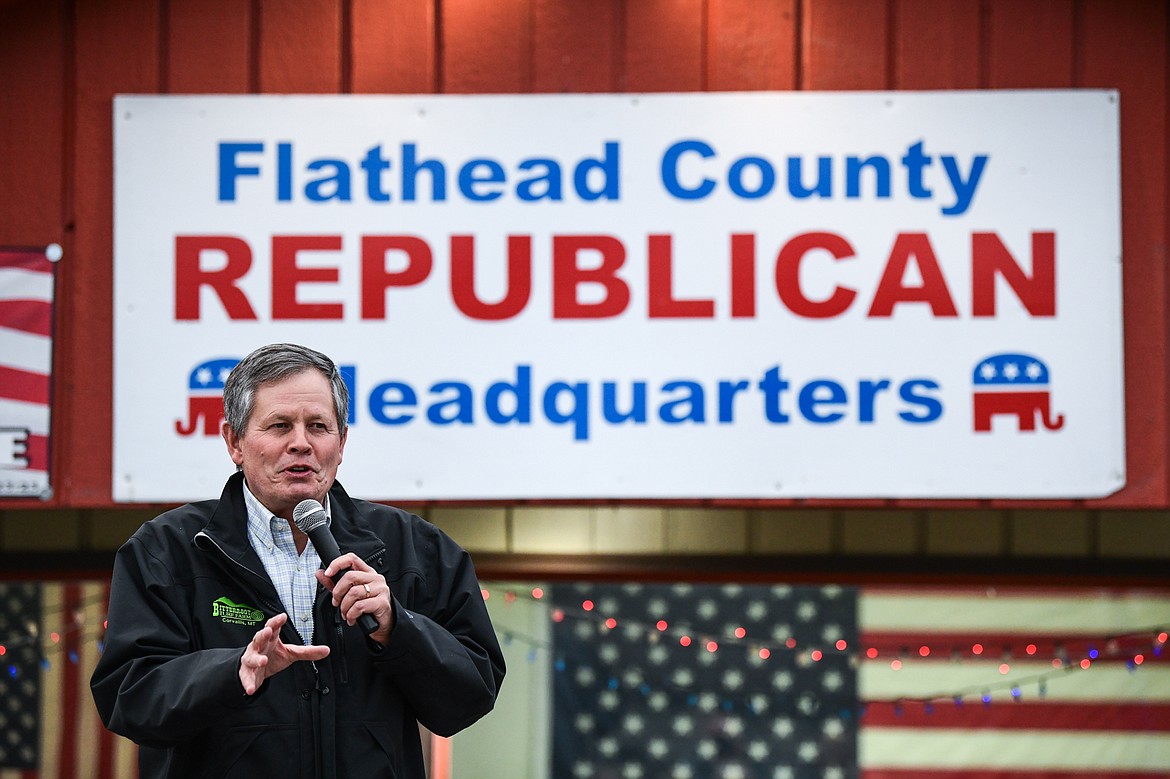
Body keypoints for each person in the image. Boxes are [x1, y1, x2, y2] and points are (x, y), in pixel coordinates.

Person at [91, 343, 505, 778]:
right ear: (234, 441)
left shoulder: (415, 549)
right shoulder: (166, 550)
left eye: (318, 426)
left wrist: (396, 628)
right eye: (279, 426)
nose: (301, 444)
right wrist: (230, 672)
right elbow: (128, 698)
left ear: (341, 443)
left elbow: (470, 696)